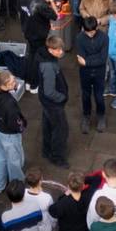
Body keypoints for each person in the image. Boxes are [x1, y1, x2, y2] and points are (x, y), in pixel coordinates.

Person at [38, 35, 70, 168]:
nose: (61, 52)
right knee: (61, 130)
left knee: (48, 126)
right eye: (58, 50)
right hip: (53, 104)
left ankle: (46, 151)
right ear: (50, 50)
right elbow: (49, 91)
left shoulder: (46, 58)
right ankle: (57, 157)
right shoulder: (49, 66)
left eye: (61, 48)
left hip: (46, 103)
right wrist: (62, 97)